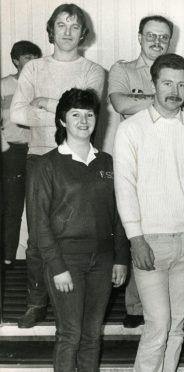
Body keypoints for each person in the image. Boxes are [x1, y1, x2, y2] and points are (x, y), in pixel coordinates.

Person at [113, 53, 184, 372]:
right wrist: (136, 239)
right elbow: (124, 187)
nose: (175, 90)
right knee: (157, 325)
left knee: (176, 327)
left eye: (182, 84)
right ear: (153, 84)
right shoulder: (132, 129)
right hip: (150, 242)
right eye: (167, 82)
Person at [10, 3, 105, 329]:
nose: (67, 31)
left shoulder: (93, 71)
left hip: (80, 160)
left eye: (74, 26)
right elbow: (18, 115)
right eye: (61, 25)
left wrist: (47, 103)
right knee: (38, 236)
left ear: (83, 33)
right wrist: (67, 108)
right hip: (39, 156)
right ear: (51, 30)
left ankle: (76, 300)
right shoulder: (33, 69)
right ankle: (36, 302)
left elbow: (86, 111)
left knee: (79, 234)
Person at [29, 88, 129, 371]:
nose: (83, 120)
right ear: (62, 120)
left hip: (103, 260)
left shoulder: (107, 162)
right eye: (75, 114)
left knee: (91, 335)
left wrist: (121, 257)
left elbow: (120, 214)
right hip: (66, 260)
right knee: (70, 334)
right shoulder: (46, 165)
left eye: (89, 114)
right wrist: (57, 265)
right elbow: (39, 224)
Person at [107, 14, 182, 330]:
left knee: (163, 233)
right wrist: (162, 100)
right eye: (150, 35)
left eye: (163, 37)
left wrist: (144, 100)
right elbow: (120, 103)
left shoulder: (176, 69)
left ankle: (164, 305)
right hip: (135, 161)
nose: (156, 41)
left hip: (169, 160)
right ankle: (135, 305)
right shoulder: (122, 69)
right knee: (134, 230)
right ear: (139, 37)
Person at [1, 40, 42, 266]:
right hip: (12, 152)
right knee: (12, 206)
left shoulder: (42, 86)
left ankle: (37, 258)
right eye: (27, 57)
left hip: (37, 151)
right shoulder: (5, 85)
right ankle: (7, 258)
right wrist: (4, 146)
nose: (32, 62)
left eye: (35, 57)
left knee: (39, 206)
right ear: (16, 60)